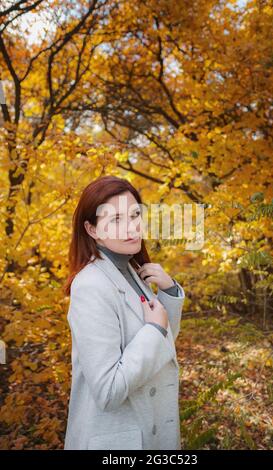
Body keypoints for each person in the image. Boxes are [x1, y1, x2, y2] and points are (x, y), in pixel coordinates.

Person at [63, 175, 185, 450]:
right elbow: (109, 390)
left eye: (134, 215)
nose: (131, 227)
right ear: (92, 230)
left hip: (150, 428)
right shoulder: (91, 285)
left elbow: (162, 348)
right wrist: (153, 330)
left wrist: (169, 292)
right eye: (115, 220)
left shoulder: (133, 271)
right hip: (119, 440)